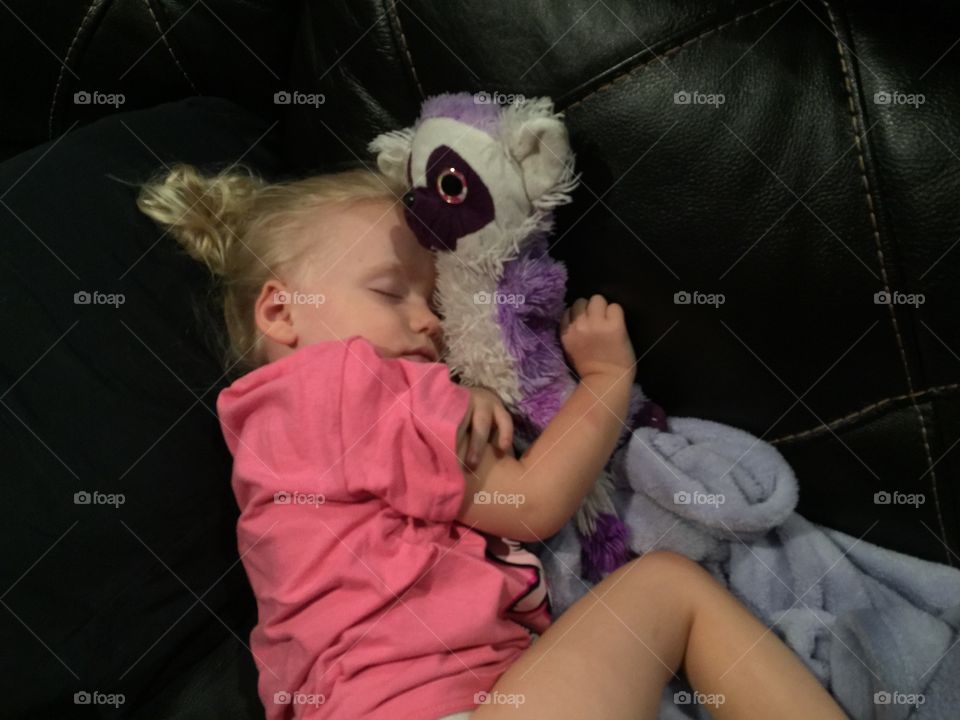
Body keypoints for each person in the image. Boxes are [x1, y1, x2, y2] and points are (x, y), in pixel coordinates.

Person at [137, 163, 847, 720]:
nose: (430, 325)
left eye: (434, 304)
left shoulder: (269, 435)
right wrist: (604, 377)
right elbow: (532, 503)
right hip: (432, 705)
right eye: (391, 293)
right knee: (668, 587)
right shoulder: (352, 379)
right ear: (281, 310)